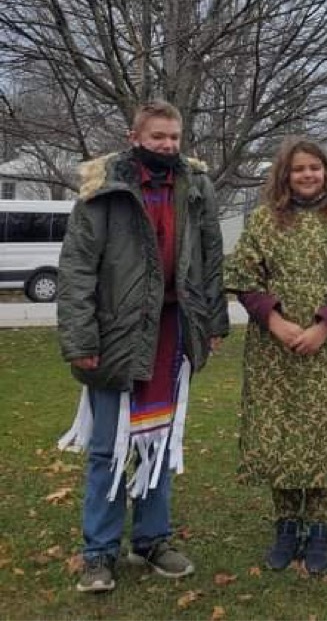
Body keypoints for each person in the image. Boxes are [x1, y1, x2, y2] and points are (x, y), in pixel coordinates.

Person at [57, 100, 229, 594]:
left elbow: (211, 256)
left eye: (174, 137)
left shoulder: (196, 186)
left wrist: (213, 320)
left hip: (173, 335)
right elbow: (76, 270)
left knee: (158, 443)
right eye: (158, 137)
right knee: (110, 446)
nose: (168, 146)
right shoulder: (103, 188)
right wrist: (80, 339)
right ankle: (99, 553)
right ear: (136, 138)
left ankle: (152, 541)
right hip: (116, 334)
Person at [223, 137, 327, 575]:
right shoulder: (262, 222)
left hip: (323, 351)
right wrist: (276, 322)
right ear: (284, 176)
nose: (308, 175)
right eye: (299, 169)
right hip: (272, 353)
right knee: (279, 435)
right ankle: (287, 525)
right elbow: (244, 279)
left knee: (321, 436)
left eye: (315, 168)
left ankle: (320, 527)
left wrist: (323, 326)